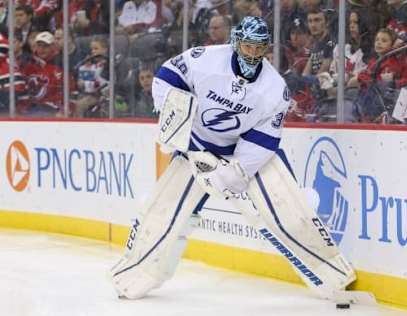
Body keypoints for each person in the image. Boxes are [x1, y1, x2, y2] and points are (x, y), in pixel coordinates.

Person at [110, 16, 354, 301]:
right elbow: (167, 76)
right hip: (196, 149)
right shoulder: (205, 60)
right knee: (161, 214)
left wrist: (234, 173)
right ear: (236, 42)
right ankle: (133, 277)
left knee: (290, 210)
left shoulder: (274, 88)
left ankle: (334, 277)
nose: (252, 54)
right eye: (247, 46)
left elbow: (263, 141)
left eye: (259, 48)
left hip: (243, 154)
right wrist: (176, 120)